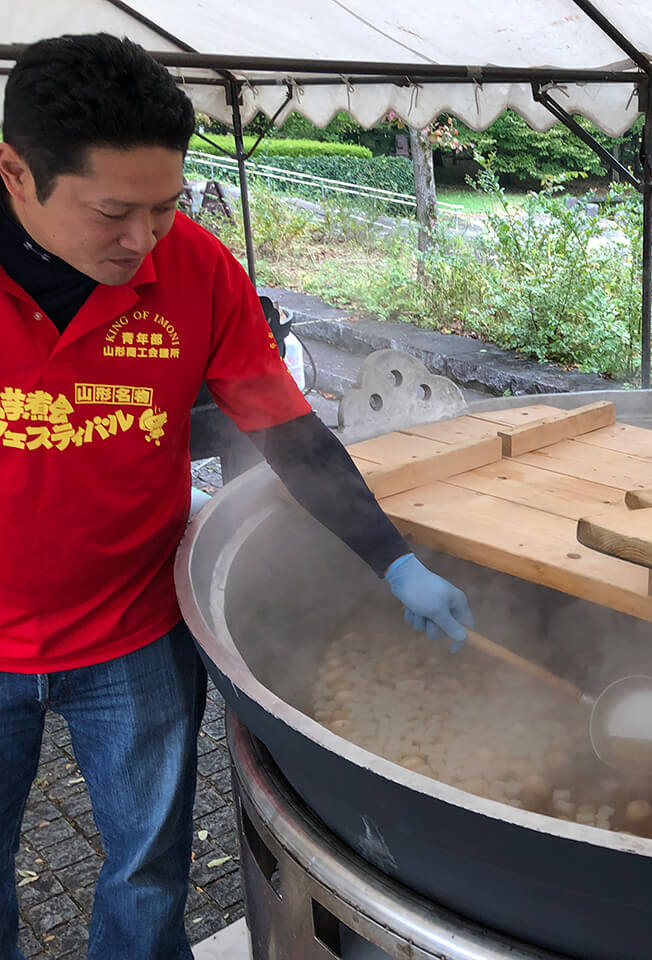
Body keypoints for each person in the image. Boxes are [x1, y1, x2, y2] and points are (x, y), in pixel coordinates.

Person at [0, 34, 475, 959]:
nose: (143, 242)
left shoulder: (196, 271)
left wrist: (396, 561)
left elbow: (290, 437)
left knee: (145, 869)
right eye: (112, 212)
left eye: (166, 208)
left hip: (131, 633)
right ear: (16, 172)